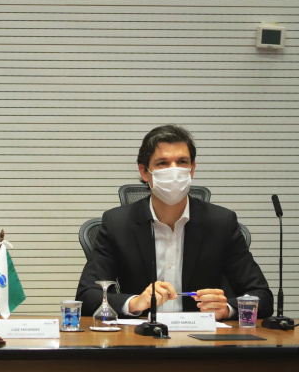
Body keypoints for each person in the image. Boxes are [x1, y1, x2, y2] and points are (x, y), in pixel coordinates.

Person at [76, 125, 272, 320]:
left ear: (192, 169)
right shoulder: (118, 224)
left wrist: (228, 308)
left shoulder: (221, 223)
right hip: (140, 338)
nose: (174, 171)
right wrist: (135, 302)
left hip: (202, 342)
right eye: (162, 163)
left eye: (182, 162)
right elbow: (86, 296)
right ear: (145, 172)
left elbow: (262, 297)